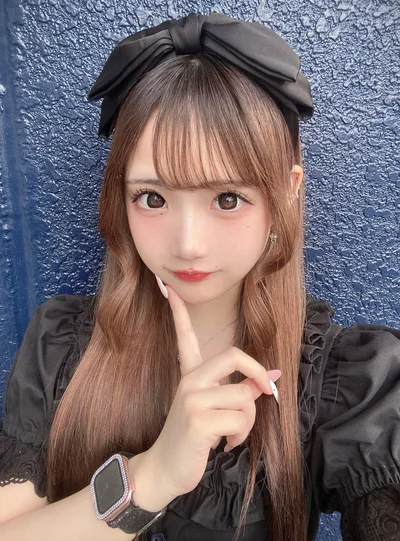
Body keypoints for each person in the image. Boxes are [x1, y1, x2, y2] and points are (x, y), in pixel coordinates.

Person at [0, 11, 399, 541]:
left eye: (227, 199)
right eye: (153, 198)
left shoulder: (345, 385)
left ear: (286, 194)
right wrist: (153, 476)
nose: (188, 243)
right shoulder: (59, 348)